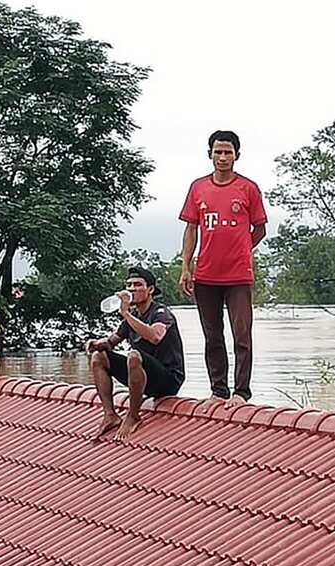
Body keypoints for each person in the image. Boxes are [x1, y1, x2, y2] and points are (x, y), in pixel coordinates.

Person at [178, 130, 268, 406]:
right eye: (218, 152)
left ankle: (241, 392)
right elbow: (191, 228)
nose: (223, 157)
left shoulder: (248, 188)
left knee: (242, 335)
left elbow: (260, 228)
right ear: (210, 155)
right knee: (212, 336)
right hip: (206, 274)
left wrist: (242, 249)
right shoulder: (198, 188)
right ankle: (218, 391)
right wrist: (186, 266)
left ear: (236, 156)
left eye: (228, 152)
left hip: (238, 275)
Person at [85, 267, 186, 440]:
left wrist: (125, 314)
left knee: (133, 355)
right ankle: (110, 415)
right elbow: (111, 342)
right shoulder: (132, 317)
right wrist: (95, 344)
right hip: (142, 374)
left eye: (138, 285)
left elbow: (155, 336)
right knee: (99, 357)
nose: (132, 289)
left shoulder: (161, 313)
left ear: (150, 290)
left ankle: (133, 416)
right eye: (129, 285)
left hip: (168, 379)